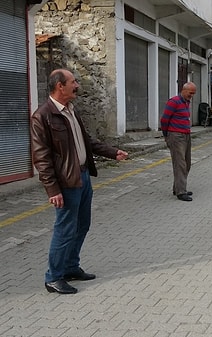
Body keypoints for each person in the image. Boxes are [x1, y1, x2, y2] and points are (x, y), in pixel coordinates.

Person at [30, 69, 129, 294]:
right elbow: (41, 158)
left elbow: (87, 142)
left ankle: (71, 267)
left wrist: (113, 152)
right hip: (65, 183)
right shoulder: (42, 116)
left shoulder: (71, 111)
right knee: (65, 229)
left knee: (82, 225)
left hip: (83, 177)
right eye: (73, 82)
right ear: (59, 86)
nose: (77, 85)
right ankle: (54, 278)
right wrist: (52, 189)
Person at [161, 82, 197, 201]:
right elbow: (164, 119)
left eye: (193, 94)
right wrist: (166, 135)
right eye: (190, 93)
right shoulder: (174, 102)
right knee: (180, 164)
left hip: (186, 135)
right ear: (184, 90)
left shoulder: (186, 102)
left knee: (187, 163)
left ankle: (177, 187)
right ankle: (181, 192)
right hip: (176, 136)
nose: (191, 95)